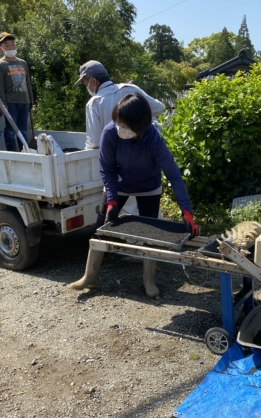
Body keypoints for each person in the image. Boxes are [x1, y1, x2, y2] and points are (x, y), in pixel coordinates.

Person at [69, 93, 199, 298]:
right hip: (118, 186)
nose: (119, 128)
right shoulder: (110, 133)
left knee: (150, 233)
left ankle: (149, 281)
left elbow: (173, 174)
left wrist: (186, 210)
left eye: (125, 126)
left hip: (148, 186)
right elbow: (107, 169)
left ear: (140, 126)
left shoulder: (153, 138)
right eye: (117, 123)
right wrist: (112, 199)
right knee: (100, 229)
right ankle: (89, 276)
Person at [75, 60, 164, 217]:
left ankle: (133, 241)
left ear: (93, 80)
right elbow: (159, 108)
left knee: (126, 216)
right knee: (151, 216)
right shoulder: (129, 89)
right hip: (146, 163)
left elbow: (94, 142)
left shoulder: (94, 103)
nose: (86, 87)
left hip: (120, 168)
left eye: (84, 82)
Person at [0, 32, 34, 152]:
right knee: (11, 130)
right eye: (6, 45)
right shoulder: (0, 65)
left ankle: (25, 153)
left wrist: (31, 100)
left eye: (12, 44)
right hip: (10, 103)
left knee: (23, 130)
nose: (10, 47)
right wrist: (3, 104)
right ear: (0, 48)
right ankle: (13, 153)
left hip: (24, 101)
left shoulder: (22, 63)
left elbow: (27, 83)